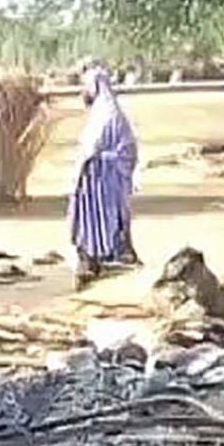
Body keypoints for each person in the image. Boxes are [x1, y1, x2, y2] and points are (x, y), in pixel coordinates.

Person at [68, 64, 138, 289]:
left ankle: (102, 258)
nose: (83, 92)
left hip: (104, 179)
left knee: (104, 219)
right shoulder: (100, 112)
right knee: (88, 220)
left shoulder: (108, 114)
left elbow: (124, 149)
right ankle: (92, 258)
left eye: (86, 87)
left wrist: (102, 161)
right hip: (93, 179)